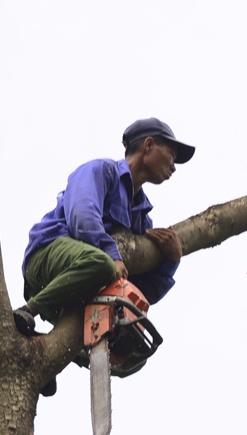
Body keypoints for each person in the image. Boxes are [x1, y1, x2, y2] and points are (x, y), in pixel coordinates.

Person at [13, 117, 195, 337]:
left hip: (81, 284)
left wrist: (172, 261)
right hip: (46, 256)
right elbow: (82, 217)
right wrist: (113, 255)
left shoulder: (140, 217)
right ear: (148, 145)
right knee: (102, 264)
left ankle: (57, 347)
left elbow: (140, 292)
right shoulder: (102, 170)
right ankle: (28, 310)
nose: (174, 166)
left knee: (132, 349)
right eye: (171, 155)